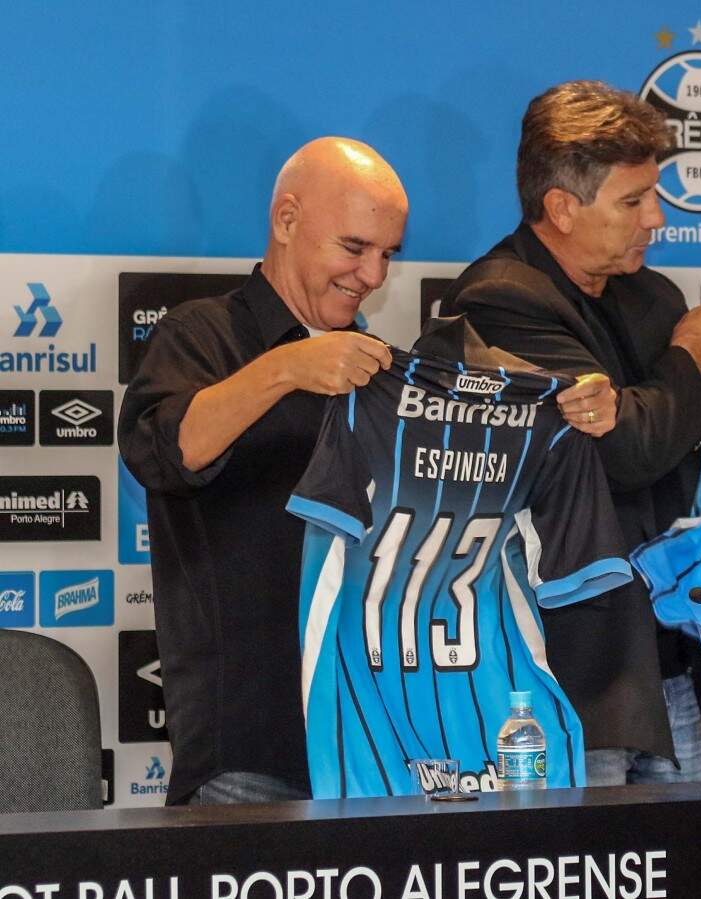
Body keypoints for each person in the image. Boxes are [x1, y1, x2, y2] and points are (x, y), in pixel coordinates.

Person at [441, 81, 701, 785]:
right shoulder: (499, 299)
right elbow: (626, 452)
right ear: (562, 207)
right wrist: (690, 357)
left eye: (657, 194)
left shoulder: (655, 296)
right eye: (634, 200)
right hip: (564, 673)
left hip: (663, 660)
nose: (659, 217)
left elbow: (678, 452)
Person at [118, 137, 408, 804]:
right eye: (355, 247)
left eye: (388, 254)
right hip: (247, 746)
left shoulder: (383, 367)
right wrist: (286, 368)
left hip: (372, 743)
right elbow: (164, 450)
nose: (372, 275)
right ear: (286, 221)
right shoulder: (201, 334)